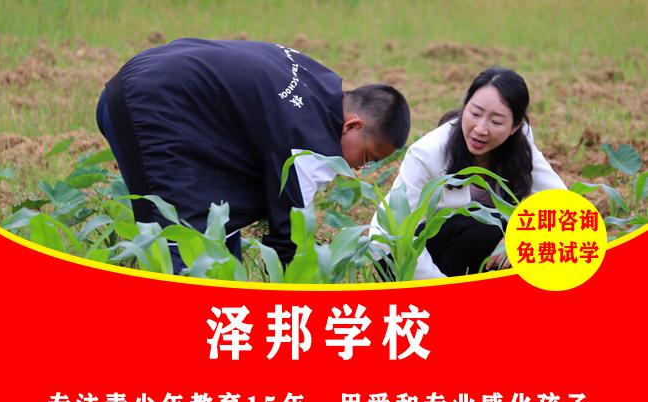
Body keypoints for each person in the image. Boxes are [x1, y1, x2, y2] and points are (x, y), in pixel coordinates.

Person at [96, 38, 410, 272]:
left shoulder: (319, 81)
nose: (357, 168)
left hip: (150, 84)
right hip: (150, 106)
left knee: (216, 232)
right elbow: (289, 237)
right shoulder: (307, 142)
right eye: (366, 157)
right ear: (353, 125)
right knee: (184, 249)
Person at [371, 67, 565, 279]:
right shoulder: (426, 154)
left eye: (496, 122)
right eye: (475, 113)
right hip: (401, 253)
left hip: (466, 243)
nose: (480, 129)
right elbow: (401, 234)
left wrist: (522, 235)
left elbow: (559, 200)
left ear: (515, 126)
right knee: (487, 227)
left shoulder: (520, 143)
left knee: (512, 229)